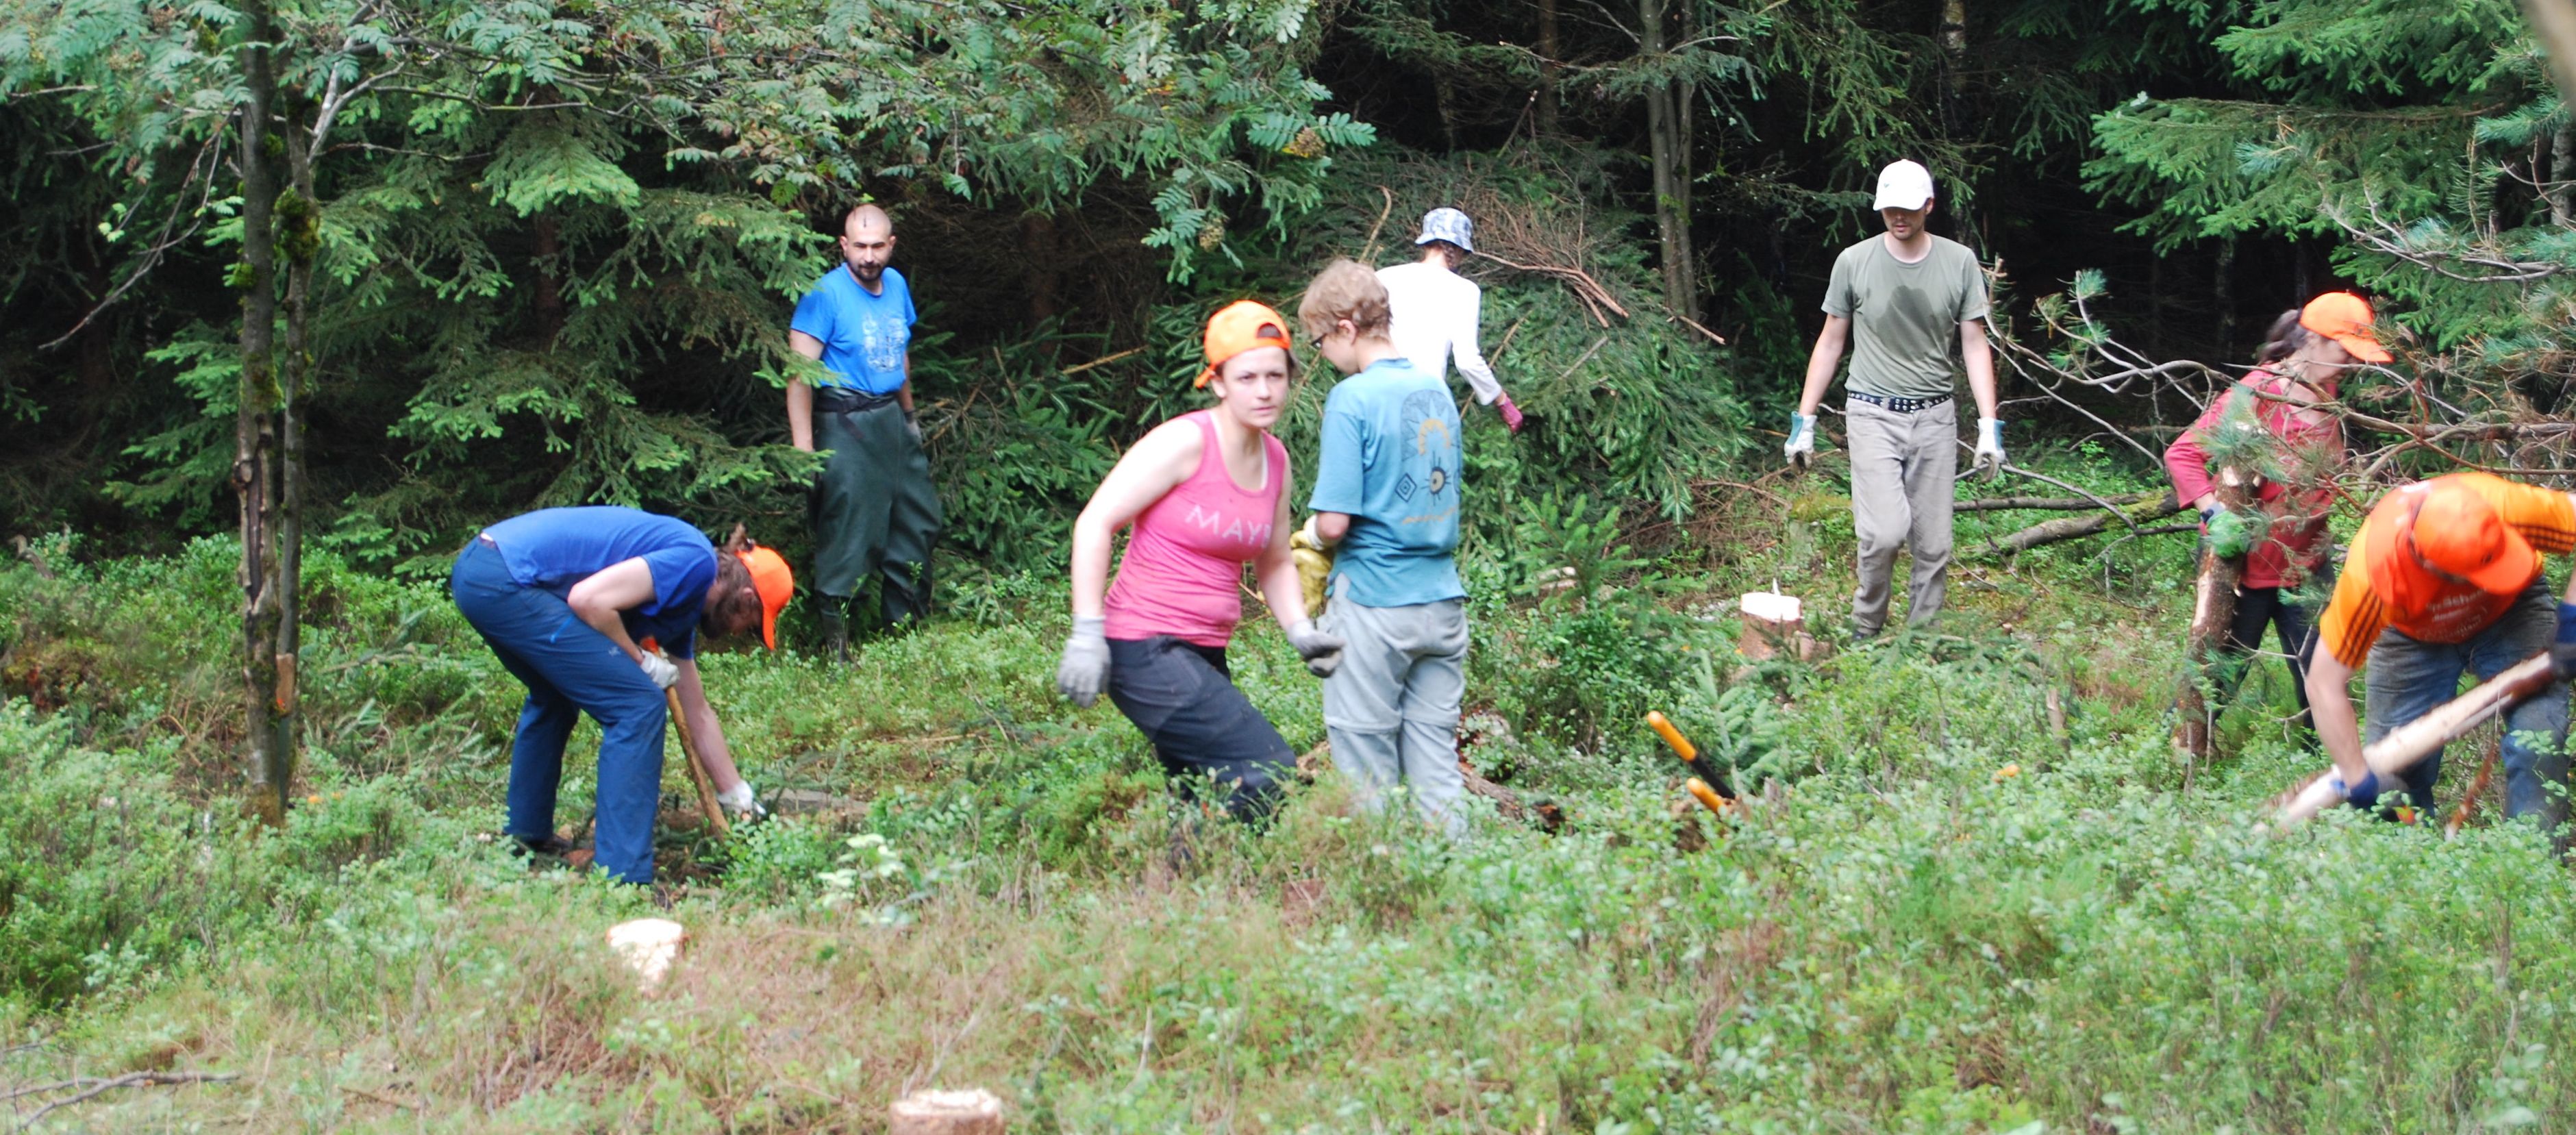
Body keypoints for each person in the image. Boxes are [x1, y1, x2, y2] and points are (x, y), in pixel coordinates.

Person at [1054, 301, 1344, 822]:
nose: (1263, 390)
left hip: (1203, 650)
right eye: (1247, 376)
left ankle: (1185, 890)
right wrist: (1085, 631)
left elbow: (1275, 560)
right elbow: (1094, 523)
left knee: (1197, 792)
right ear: (1218, 382)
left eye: (1275, 376)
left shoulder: (1275, 459)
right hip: (1143, 646)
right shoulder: (1184, 442)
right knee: (1265, 766)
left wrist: (1300, 630)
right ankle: (1235, 884)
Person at [450, 507, 794, 884]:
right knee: (637, 704)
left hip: (484, 571)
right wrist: (639, 660)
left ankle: (524, 836)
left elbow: (698, 712)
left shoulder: (682, 606)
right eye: (751, 625)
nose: (740, 633)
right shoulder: (693, 564)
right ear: (746, 598)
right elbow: (588, 599)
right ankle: (622, 875)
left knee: (555, 696)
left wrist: (737, 796)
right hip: (506, 576)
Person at [1784, 159, 2001, 637]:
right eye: (1888, 209)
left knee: (1934, 544)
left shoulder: (1958, 261)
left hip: (1934, 417)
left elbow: (1973, 341)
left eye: (1907, 208)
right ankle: (1866, 627)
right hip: (1871, 412)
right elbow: (1830, 340)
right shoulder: (1854, 261)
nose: (1897, 218)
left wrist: (1989, 426)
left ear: (1928, 205)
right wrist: (1805, 421)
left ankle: (1920, 641)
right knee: (1882, 533)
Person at [1300, 260, 1473, 836]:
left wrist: (1306, 536)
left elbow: (1333, 525)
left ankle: (1389, 907)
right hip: (1443, 605)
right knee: (1436, 769)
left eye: (1320, 340)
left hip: (1375, 607)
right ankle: (1465, 898)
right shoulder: (1435, 389)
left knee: (1367, 774)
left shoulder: (1352, 399)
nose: (1322, 353)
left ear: (1346, 327)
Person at [2305, 473, 2576, 830]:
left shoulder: (2504, 506)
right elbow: (2323, 682)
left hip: (2513, 614)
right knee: (2395, 774)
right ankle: (2409, 857)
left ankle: (2532, 865)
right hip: (2410, 637)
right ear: (2426, 562)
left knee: (2538, 742)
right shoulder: (2374, 573)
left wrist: (2572, 618)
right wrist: (2358, 779)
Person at [2162, 293, 2376, 741]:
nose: (2350, 365)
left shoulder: (2328, 390)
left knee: (2320, 680)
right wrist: (2214, 514)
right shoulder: (2256, 393)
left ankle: (2329, 777)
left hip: (2308, 566)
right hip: (2247, 567)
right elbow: (2182, 454)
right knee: (2222, 674)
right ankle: (2172, 756)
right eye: (2344, 352)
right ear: (2313, 340)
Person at [788, 203, 940, 660]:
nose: (868, 256)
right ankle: (837, 649)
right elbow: (799, 375)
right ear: (843, 246)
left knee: (918, 520)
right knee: (850, 531)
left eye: (877, 246)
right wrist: (804, 451)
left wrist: (910, 418)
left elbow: (900, 356)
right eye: (859, 246)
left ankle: (904, 632)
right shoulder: (824, 296)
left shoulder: (895, 285)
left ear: (891, 245)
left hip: (890, 418)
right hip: (844, 421)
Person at [1379, 208, 1523, 433]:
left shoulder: (1385, 276)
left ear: (1426, 243)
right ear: (1459, 250)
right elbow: (1467, 361)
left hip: (1377, 392)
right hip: (1423, 402)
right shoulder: (1465, 291)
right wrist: (1502, 400)